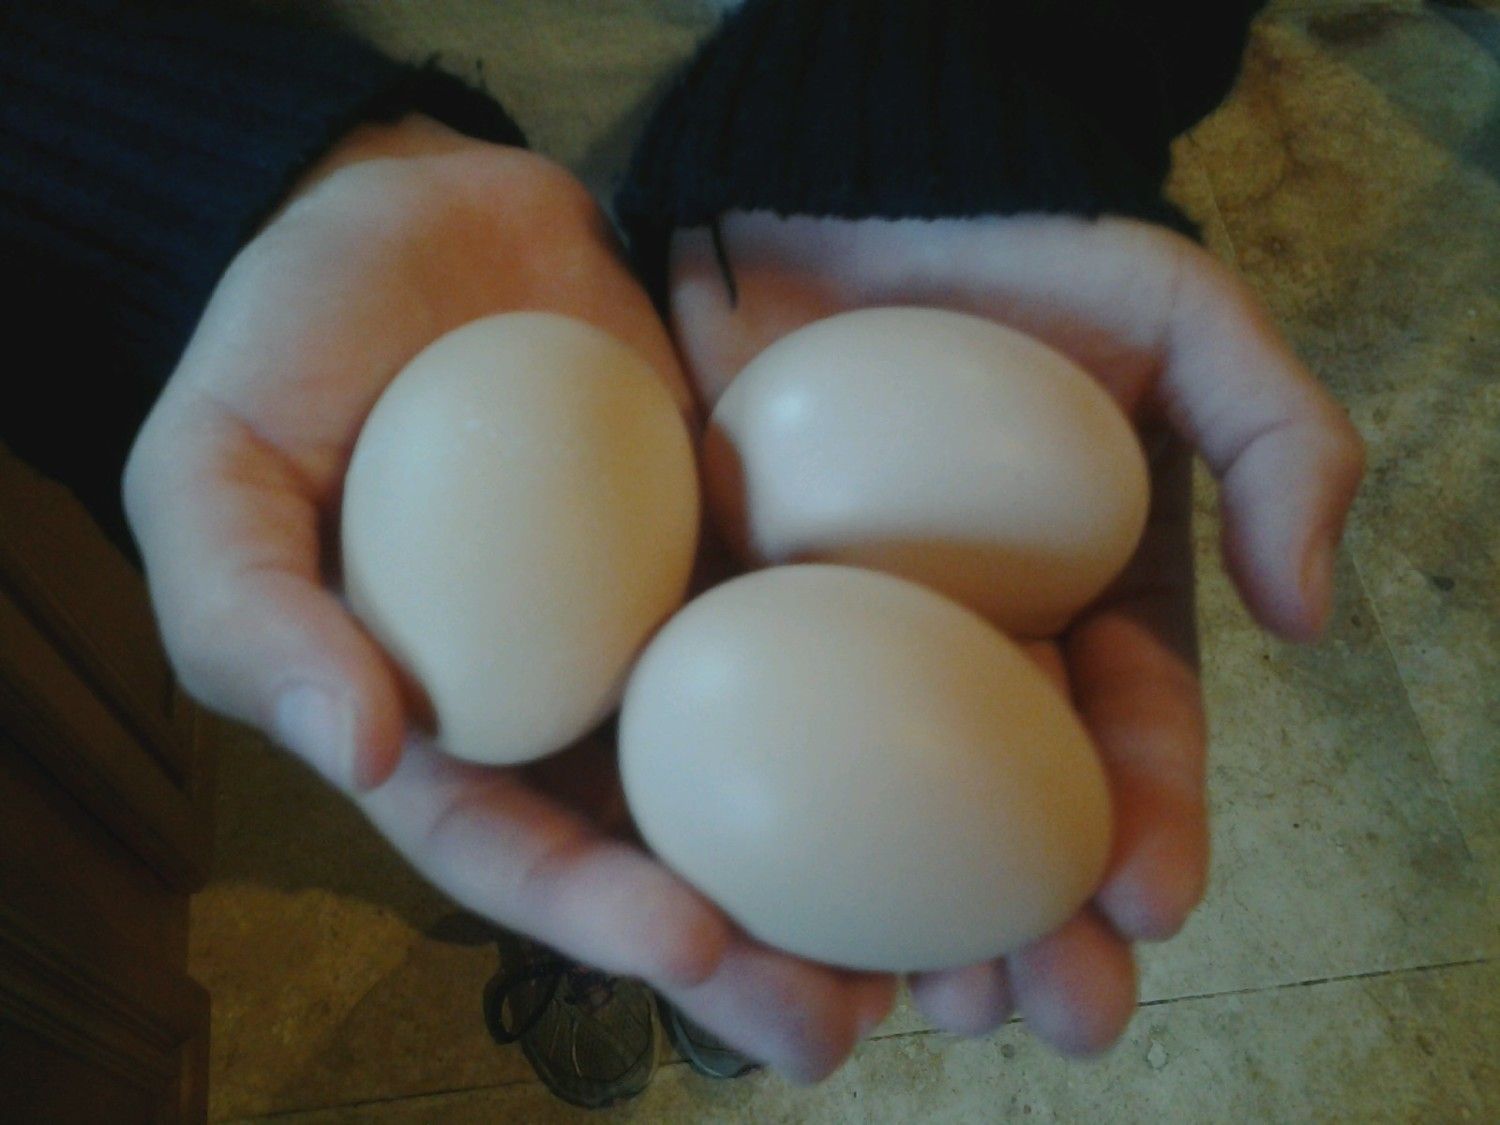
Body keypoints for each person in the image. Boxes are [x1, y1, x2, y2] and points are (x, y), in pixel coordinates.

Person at [2, 0, 1364, 1110]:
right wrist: (213, 175)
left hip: (794, 152)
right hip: (343, 185)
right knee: (549, 759)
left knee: (634, 757)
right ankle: (668, 880)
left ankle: (724, 870)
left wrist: (948, 76)